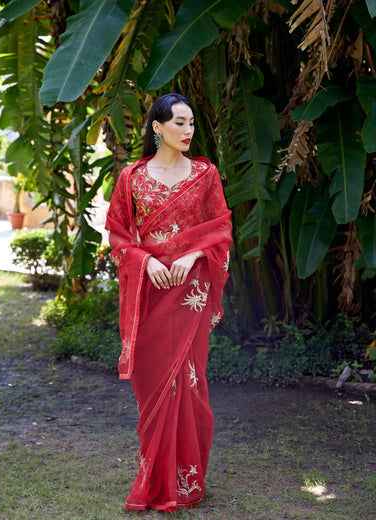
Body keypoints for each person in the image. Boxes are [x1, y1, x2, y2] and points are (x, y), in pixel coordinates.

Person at [105, 93, 232, 512]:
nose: (188, 130)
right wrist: (144, 261)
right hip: (150, 291)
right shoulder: (131, 177)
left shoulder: (205, 174)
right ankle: (155, 475)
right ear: (157, 127)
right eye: (179, 123)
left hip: (189, 290)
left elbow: (221, 230)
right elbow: (120, 236)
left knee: (189, 383)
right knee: (153, 382)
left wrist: (195, 254)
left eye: (191, 123)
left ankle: (186, 481)